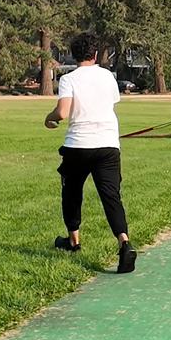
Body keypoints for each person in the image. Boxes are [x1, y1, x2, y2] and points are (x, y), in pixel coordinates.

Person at [45, 31, 137, 274]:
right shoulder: (108, 77)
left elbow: (63, 112)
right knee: (111, 196)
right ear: (95, 54)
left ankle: (73, 242)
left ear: (74, 55)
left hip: (78, 146)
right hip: (107, 144)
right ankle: (124, 243)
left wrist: (49, 118)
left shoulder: (68, 79)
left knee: (72, 193)